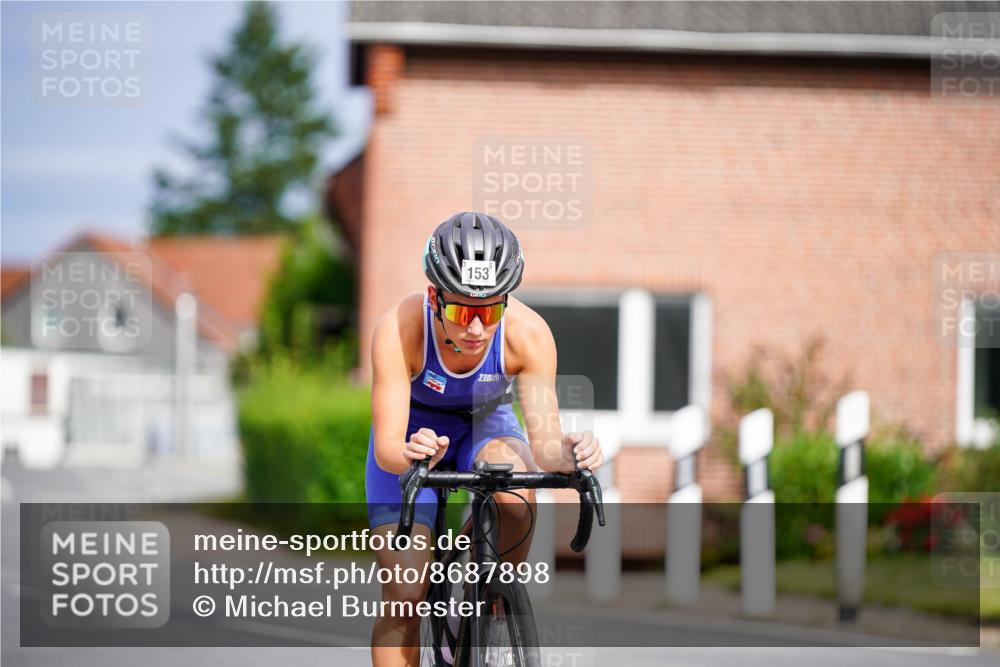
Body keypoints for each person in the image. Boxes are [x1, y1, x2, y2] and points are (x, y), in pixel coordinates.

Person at [366, 211, 605, 666]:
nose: (476, 329)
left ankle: (487, 597)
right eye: (461, 311)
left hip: (485, 423)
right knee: (404, 594)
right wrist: (410, 452)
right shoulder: (399, 328)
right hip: (414, 436)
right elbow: (388, 447)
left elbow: (545, 447)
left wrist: (574, 454)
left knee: (516, 492)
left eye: (490, 311)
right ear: (434, 297)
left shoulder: (529, 335)